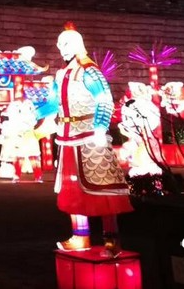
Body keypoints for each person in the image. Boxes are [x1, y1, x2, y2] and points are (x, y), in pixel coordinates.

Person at [37, 23, 133, 254]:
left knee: (103, 187)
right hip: (67, 138)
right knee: (72, 188)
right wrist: (33, 114)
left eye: (66, 43)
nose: (62, 48)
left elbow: (104, 99)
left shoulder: (90, 71)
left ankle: (111, 238)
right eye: (60, 44)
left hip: (90, 136)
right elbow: (53, 104)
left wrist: (100, 127)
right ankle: (80, 236)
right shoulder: (61, 74)